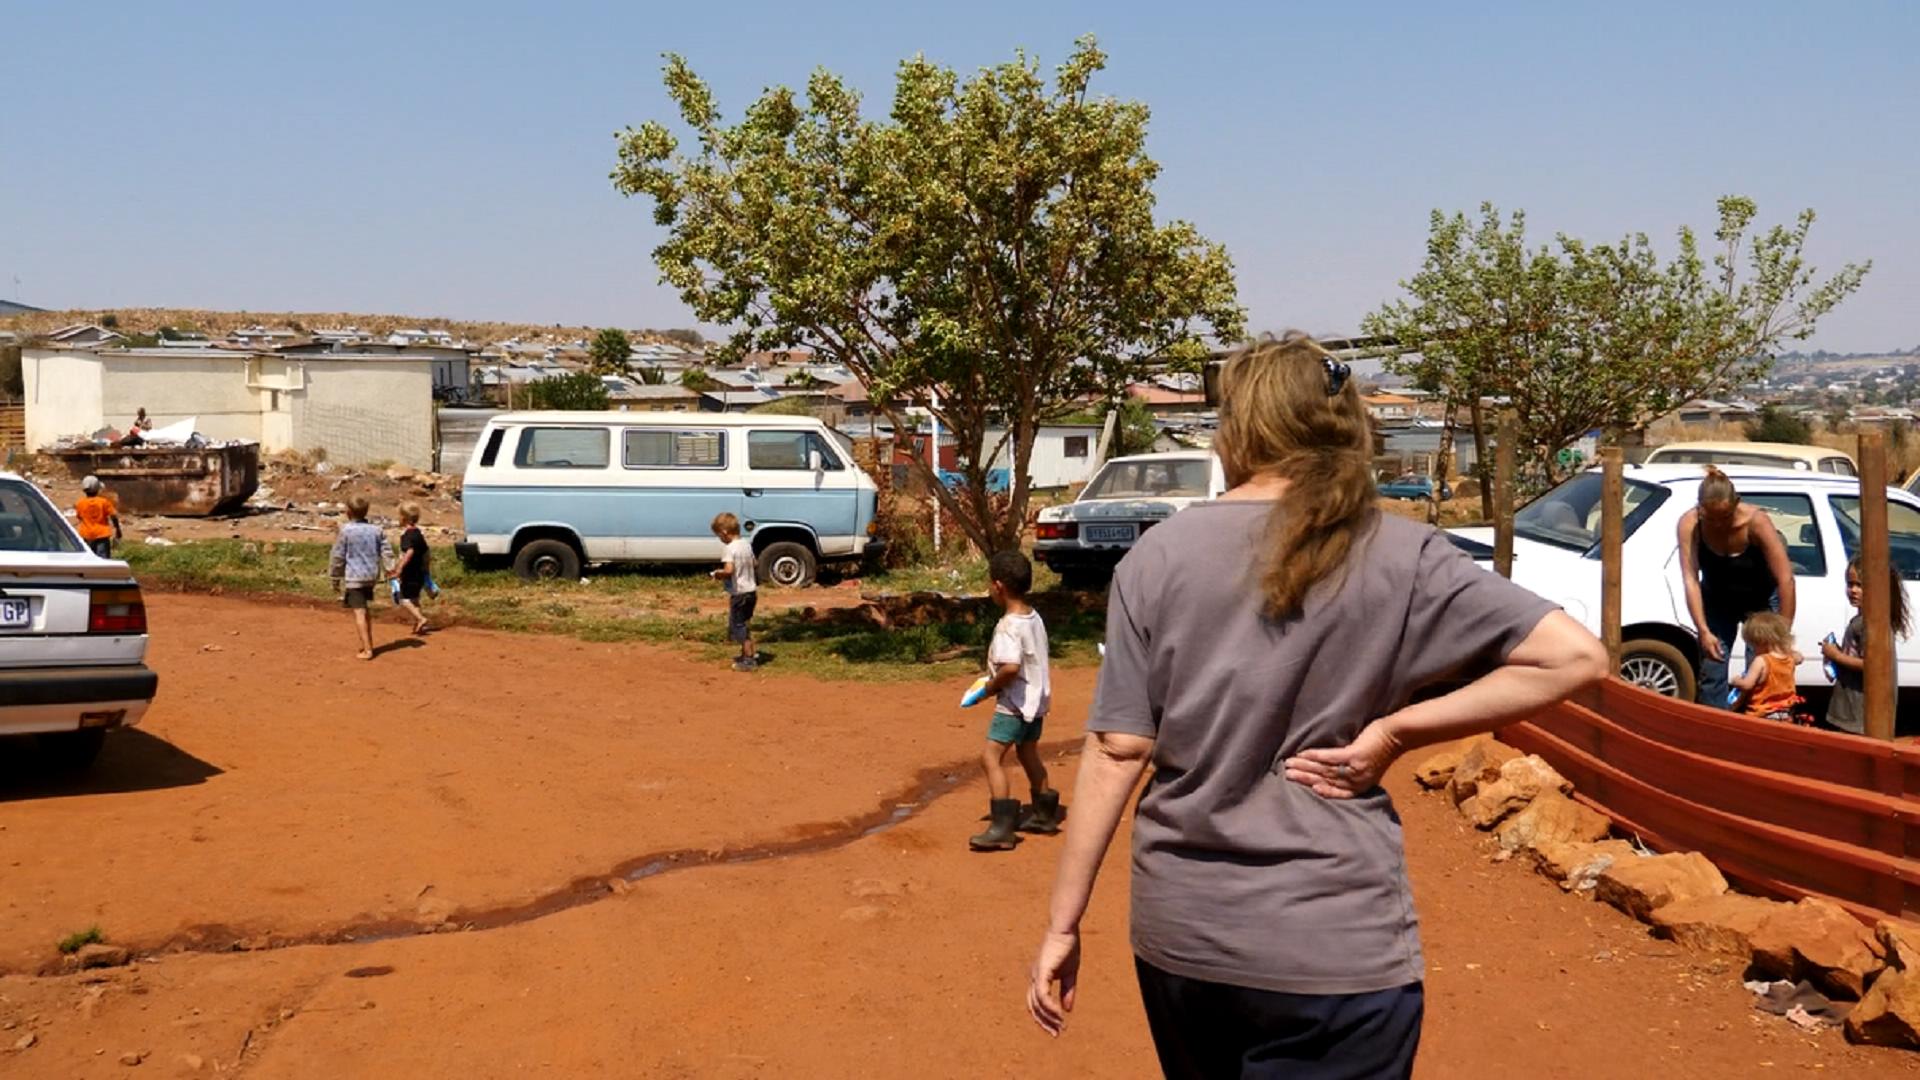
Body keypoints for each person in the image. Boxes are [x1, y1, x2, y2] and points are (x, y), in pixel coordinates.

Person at [1024, 333, 1608, 1078]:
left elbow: (1118, 751)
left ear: (1238, 429)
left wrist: (1061, 926)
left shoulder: (1156, 557)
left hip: (1187, 941)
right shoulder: (1404, 553)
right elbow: (1576, 657)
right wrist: (1395, 733)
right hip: (1335, 949)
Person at [1676, 467, 1796, 709]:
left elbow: (1786, 579)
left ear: (1736, 503)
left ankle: (1758, 725)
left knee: (1763, 668)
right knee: (1712, 667)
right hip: (1717, 600)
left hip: (1761, 603)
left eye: (1725, 517)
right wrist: (1703, 630)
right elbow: (1690, 578)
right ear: (1700, 509)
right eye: (1711, 518)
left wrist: (1782, 632)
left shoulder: (1757, 522)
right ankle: (1715, 728)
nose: (1719, 524)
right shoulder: (1690, 524)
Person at [968, 549, 1059, 852]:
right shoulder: (1034, 618)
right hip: (1036, 703)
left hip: (1014, 706)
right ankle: (1045, 814)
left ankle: (1002, 826)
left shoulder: (1007, 627)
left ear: (998, 586)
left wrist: (989, 688)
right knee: (1028, 752)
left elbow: (1010, 667)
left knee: (991, 757)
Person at [1821, 557, 1912, 734]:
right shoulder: (1864, 621)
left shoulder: (1869, 624)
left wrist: (1836, 655)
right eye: (1850, 584)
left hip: (1861, 709)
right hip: (1854, 706)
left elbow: (1873, 664)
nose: (1853, 591)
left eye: (1860, 586)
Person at [328, 496, 392, 661]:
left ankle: (368, 649)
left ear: (348, 512)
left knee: (359, 612)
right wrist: (391, 570)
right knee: (364, 610)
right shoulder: (377, 530)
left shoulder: (346, 531)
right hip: (371, 576)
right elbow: (387, 552)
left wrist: (335, 577)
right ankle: (367, 643)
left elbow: (338, 556)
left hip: (354, 577)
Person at [1729, 612, 1804, 722]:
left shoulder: (1761, 661)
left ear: (1761, 642)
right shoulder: (1789, 658)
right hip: (1785, 712)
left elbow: (1747, 685)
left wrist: (1736, 681)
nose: (1754, 649)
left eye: (1754, 644)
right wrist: (1787, 649)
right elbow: (1800, 658)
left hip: (1762, 714)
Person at [709, 513, 757, 672]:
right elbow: (754, 563)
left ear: (724, 532)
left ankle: (749, 659)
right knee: (743, 623)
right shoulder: (746, 544)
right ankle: (747, 654)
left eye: (718, 536)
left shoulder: (729, 549)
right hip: (751, 591)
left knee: (737, 625)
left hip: (739, 593)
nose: (719, 539)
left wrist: (718, 574)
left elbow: (729, 570)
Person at [389, 502, 432, 636]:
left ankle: (420, 618)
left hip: (410, 572)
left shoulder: (407, 536)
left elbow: (409, 552)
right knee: (415, 599)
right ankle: (419, 624)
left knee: (404, 599)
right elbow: (426, 552)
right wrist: (426, 569)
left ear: (404, 518)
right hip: (419, 571)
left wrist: (399, 569)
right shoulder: (418, 533)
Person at [74, 475, 122, 558]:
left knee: (88, 560)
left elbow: (79, 517)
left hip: (86, 535)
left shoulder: (80, 503)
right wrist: (117, 529)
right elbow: (113, 516)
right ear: (97, 488)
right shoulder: (104, 502)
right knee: (103, 561)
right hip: (102, 535)